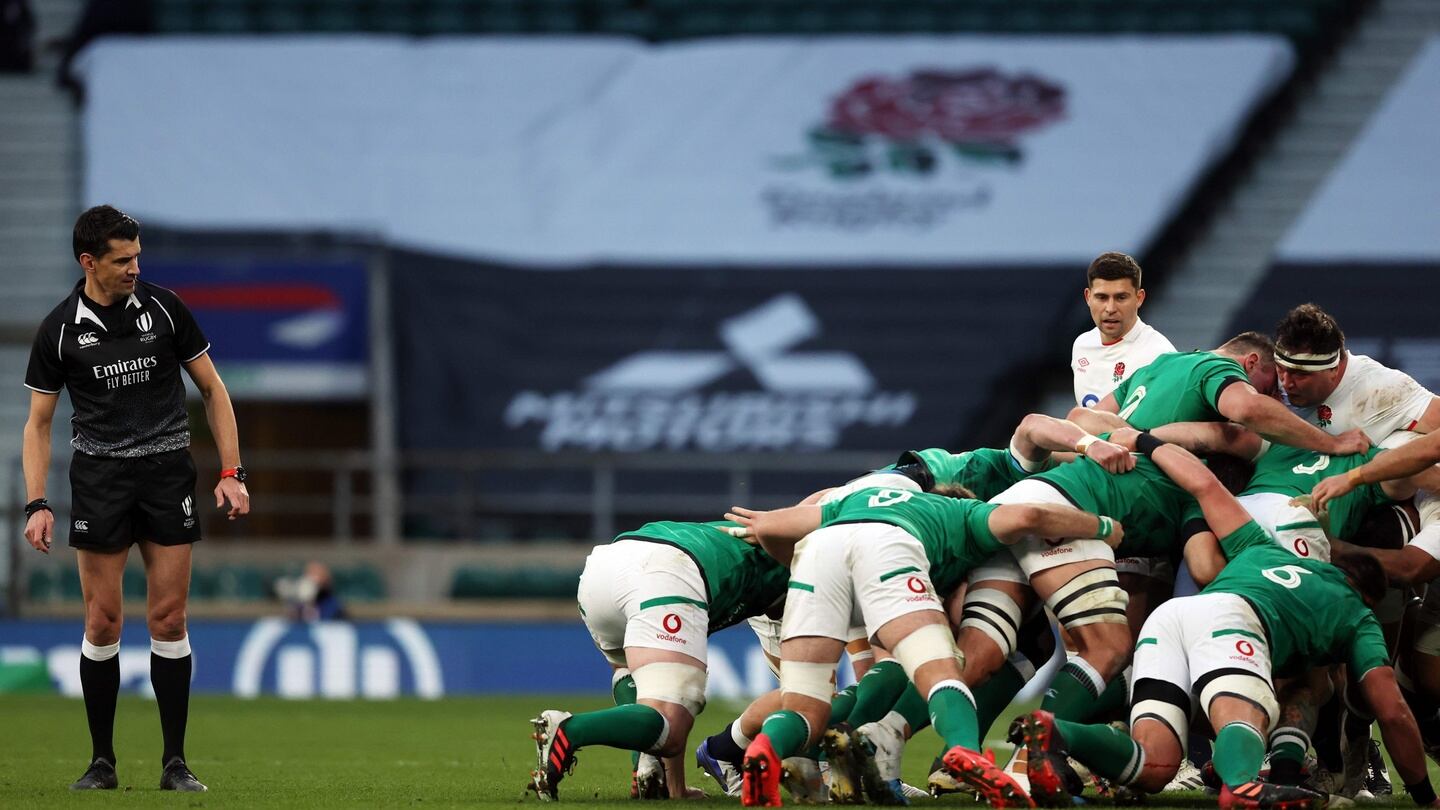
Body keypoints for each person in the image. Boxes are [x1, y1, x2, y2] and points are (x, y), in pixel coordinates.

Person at [1016, 437, 1440, 810]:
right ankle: (1241, 785)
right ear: (1367, 592)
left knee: (1156, 764)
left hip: (1173, 619)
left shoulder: (1263, 549)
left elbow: (1203, 484)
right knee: (1250, 711)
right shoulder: (1357, 613)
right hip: (1234, 620)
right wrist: (1427, 796)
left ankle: (1056, 730)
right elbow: (1393, 711)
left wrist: (1143, 439)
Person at [21, 205, 250, 792]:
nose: (134, 268)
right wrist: (36, 502)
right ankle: (102, 762)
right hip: (100, 479)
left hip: (167, 475)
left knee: (169, 618)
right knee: (102, 622)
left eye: (138, 256)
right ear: (88, 262)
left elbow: (212, 388)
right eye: (122, 260)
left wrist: (232, 471)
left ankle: (175, 762)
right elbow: (39, 424)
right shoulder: (59, 330)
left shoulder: (166, 308)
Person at [727, 483, 1122, 808]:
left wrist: (804, 576)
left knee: (807, 706)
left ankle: (767, 749)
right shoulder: (965, 515)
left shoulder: (856, 497)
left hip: (816, 554)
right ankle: (964, 749)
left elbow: (772, 528)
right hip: (889, 548)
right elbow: (1029, 516)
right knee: (941, 671)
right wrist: (1103, 527)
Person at [528, 518, 789, 801]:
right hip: (668, 570)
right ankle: (569, 730)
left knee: (645, 681)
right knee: (670, 720)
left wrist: (677, 790)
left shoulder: (775, 541)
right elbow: (801, 687)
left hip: (605, 567)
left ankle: (651, 774)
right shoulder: (796, 573)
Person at [1070, 251, 1175, 409]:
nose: (1110, 308)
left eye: (1121, 298)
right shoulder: (1082, 344)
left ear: (1139, 298)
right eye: (1102, 297)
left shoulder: (1159, 355)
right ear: (1088, 297)